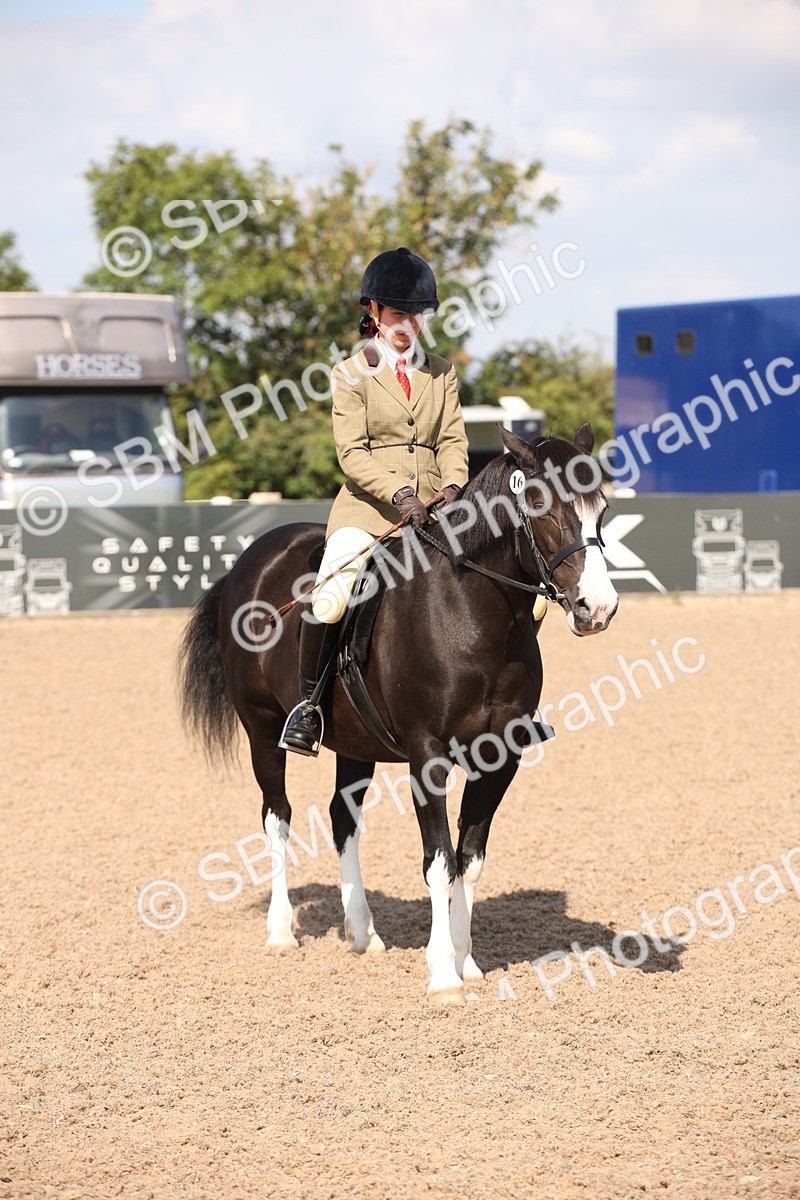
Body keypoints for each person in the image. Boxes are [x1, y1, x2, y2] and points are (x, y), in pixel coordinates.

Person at [279, 247, 470, 756]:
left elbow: (452, 440)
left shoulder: (442, 372)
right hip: (369, 512)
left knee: (509, 580)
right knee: (331, 595)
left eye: (419, 314)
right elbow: (352, 454)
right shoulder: (349, 374)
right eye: (399, 313)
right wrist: (401, 494)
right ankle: (310, 706)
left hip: (437, 510)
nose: (410, 323)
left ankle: (511, 702)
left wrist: (452, 487)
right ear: (374, 313)